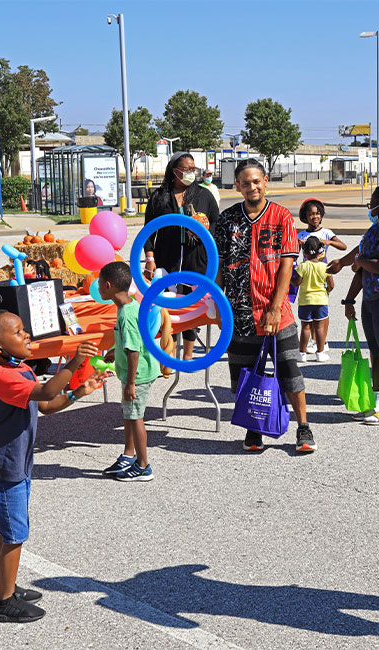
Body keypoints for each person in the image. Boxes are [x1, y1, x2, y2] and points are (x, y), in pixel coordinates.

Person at [0, 310, 103, 623]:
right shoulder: (3, 375)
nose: (26, 335)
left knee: (10, 532)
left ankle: (7, 586)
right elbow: (45, 392)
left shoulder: (20, 369)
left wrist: (77, 392)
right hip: (4, 468)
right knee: (15, 534)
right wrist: (72, 362)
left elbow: (46, 406)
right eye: (17, 332)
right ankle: (3, 602)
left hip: (16, 464)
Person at [215, 159, 316, 453]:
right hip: (240, 313)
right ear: (237, 186)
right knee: (244, 376)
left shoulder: (282, 217)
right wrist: (217, 302)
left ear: (266, 181)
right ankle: (253, 428)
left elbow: (286, 267)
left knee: (290, 373)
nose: (251, 187)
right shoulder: (227, 219)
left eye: (256, 181)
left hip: (276, 313)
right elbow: (220, 265)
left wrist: (274, 307)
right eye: (245, 183)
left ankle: (303, 428)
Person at [328, 179, 379, 425]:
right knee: (376, 352)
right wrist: (349, 298)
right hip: (371, 298)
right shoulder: (375, 231)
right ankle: (378, 402)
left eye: (373, 204)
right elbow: (361, 263)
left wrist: (361, 262)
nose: (370, 208)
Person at [143, 153, 219, 361]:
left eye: (193, 169)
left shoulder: (204, 195)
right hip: (168, 257)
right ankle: (170, 352)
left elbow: (215, 222)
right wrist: (150, 257)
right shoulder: (159, 197)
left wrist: (204, 232)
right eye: (186, 169)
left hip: (197, 259)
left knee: (191, 304)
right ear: (174, 171)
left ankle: (187, 355)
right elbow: (148, 230)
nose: (190, 173)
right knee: (168, 304)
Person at [99, 262, 160, 481]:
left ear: (108, 285)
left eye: (99, 283)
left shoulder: (125, 314)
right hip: (135, 372)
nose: (97, 287)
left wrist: (131, 384)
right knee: (129, 414)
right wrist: (116, 350)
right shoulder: (131, 305)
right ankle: (129, 455)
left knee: (135, 417)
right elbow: (133, 341)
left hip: (138, 374)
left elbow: (134, 350)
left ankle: (144, 466)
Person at [296, 198, 346, 353]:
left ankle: (322, 340)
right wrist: (297, 243)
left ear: (322, 215)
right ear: (305, 216)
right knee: (309, 310)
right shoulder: (302, 234)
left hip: (322, 274)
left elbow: (343, 246)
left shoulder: (326, 232)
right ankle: (313, 340)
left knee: (322, 311)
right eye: (311, 214)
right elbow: (291, 252)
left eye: (317, 214)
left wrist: (329, 242)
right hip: (306, 275)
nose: (314, 217)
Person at [291, 236, 334, 362]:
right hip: (321, 301)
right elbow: (331, 285)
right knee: (320, 327)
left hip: (305, 301)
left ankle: (302, 354)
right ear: (321, 252)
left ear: (304, 252)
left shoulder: (303, 267)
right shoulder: (325, 267)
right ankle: (320, 353)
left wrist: (289, 277)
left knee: (305, 327)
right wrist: (326, 291)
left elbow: (296, 282)